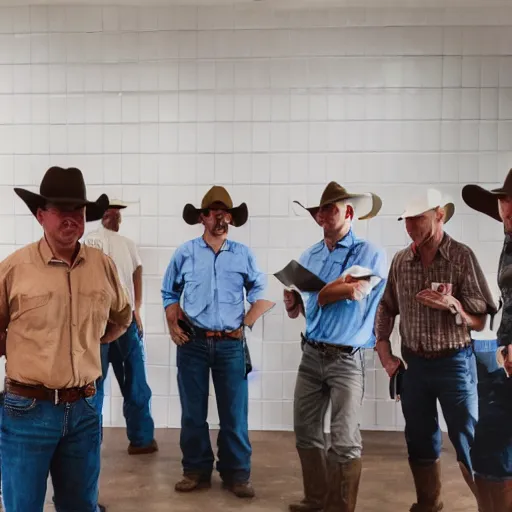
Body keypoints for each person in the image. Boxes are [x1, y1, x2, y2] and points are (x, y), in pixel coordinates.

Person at [0, 167, 132, 512]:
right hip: (27, 411)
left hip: (85, 411)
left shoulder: (102, 266)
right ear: (41, 215)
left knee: (80, 505)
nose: (71, 218)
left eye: (78, 210)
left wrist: (92, 341)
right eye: (61, 210)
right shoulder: (14, 269)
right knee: (22, 506)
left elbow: (122, 316)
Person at [375, 188, 497, 512]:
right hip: (414, 367)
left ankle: (490, 506)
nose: (411, 227)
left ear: (439, 215)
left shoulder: (461, 257)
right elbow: (386, 307)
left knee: (468, 439)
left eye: (418, 219)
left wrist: (455, 306)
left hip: (455, 363)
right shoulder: (402, 261)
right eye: (407, 221)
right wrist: (384, 352)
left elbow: (481, 320)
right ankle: (428, 503)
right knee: (419, 439)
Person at [161, 186, 272, 499]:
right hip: (192, 342)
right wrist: (172, 317)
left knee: (234, 413)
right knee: (192, 413)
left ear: (232, 219)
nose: (220, 217)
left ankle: (237, 473)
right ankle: (195, 470)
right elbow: (169, 291)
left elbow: (262, 294)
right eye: (213, 212)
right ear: (202, 217)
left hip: (230, 346)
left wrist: (246, 323)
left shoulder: (243, 255)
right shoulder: (185, 253)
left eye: (226, 212)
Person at [284, 181, 387, 512]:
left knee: (343, 440)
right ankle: (316, 500)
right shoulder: (309, 255)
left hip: (347, 358)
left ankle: (339, 508)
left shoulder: (371, 252)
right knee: (306, 432)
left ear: (350, 212)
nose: (323, 215)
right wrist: (295, 303)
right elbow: (310, 308)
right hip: (312, 353)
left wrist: (324, 293)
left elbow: (357, 290)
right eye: (319, 210)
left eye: (330, 208)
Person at [85, 199, 157, 455]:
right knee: (95, 385)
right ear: (102, 215)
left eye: (117, 213)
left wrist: (137, 307)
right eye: (110, 212)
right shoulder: (91, 239)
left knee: (134, 383)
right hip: (101, 323)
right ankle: (92, 440)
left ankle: (141, 439)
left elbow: (138, 271)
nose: (115, 217)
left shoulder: (127, 244)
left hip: (125, 321)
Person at [462, 170, 512, 510]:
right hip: (503, 353)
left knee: (492, 446)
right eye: (503, 200)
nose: (504, 207)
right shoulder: (509, 237)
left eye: (509, 201)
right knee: (492, 449)